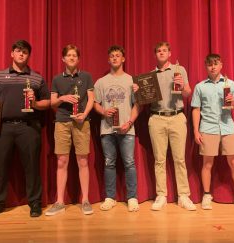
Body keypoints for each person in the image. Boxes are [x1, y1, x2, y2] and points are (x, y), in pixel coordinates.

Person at [0, 40, 51, 219]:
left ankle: (35, 203)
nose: (21, 54)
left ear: (29, 55)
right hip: (2, 128)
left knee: (32, 167)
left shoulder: (37, 78)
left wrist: (34, 103)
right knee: (0, 167)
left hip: (28, 128)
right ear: (11, 54)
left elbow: (47, 102)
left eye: (25, 52)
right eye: (18, 51)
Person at [133, 41, 196, 211]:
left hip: (177, 117)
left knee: (179, 159)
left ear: (169, 53)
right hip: (156, 118)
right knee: (159, 160)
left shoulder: (179, 69)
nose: (161, 53)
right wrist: (138, 90)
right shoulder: (150, 76)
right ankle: (161, 195)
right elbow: (144, 101)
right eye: (158, 51)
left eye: (164, 50)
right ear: (155, 55)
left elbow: (188, 93)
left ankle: (183, 196)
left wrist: (182, 85)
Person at [191, 53, 234, 210]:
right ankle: (206, 195)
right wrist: (195, 130)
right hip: (207, 128)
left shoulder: (230, 84)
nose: (213, 67)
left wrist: (233, 102)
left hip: (227, 127)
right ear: (206, 66)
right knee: (207, 163)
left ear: (221, 65)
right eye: (210, 64)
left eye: (216, 63)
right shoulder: (200, 86)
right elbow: (196, 109)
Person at [45, 44, 94, 216]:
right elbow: (52, 103)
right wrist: (62, 98)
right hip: (62, 123)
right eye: (69, 55)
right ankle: (59, 202)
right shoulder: (57, 79)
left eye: (75, 55)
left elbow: (91, 99)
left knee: (82, 161)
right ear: (63, 59)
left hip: (82, 122)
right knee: (61, 161)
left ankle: (86, 200)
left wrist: (84, 114)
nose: (72, 58)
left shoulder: (86, 76)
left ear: (78, 59)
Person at [94, 45, 140, 212]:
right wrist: (104, 111)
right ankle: (110, 197)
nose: (114, 58)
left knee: (129, 163)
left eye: (118, 55)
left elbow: (137, 105)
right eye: (112, 55)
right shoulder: (101, 82)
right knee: (109, 163)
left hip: (126, 129)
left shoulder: (131, 81)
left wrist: (130, 122)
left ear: (123, 59)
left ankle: (132, 197)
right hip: (107, 129)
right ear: (108, 59)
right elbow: (95, 104)